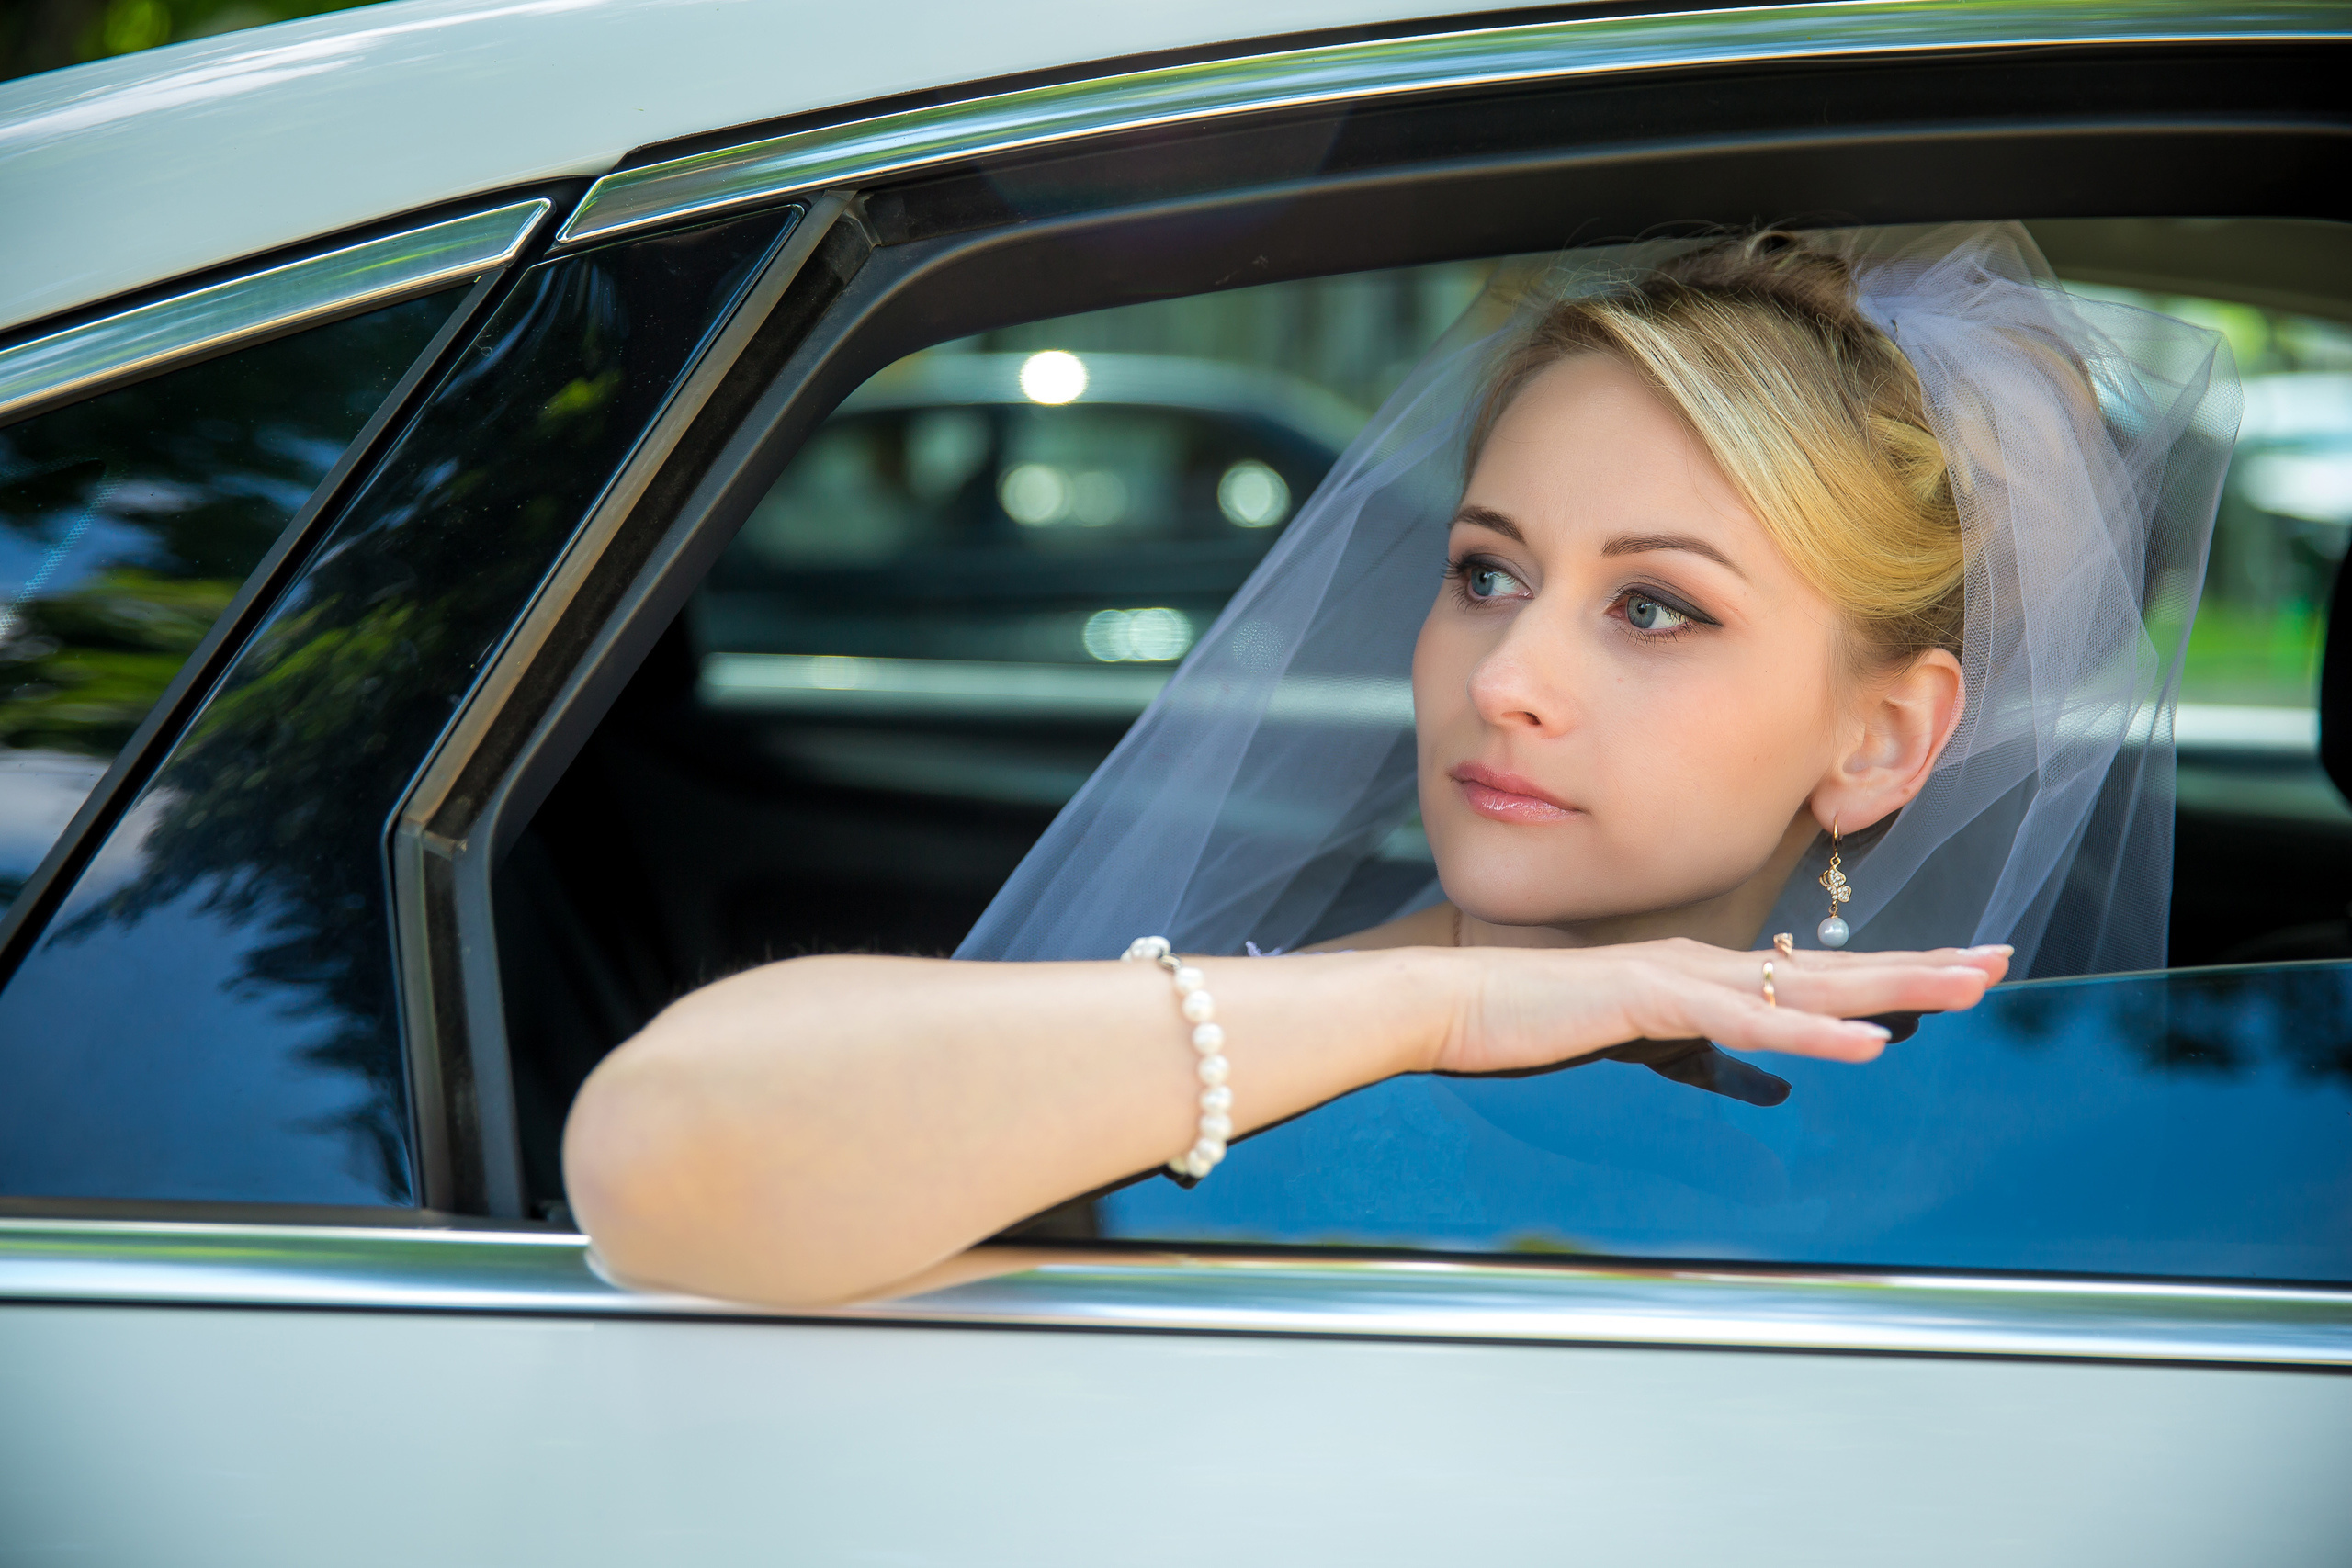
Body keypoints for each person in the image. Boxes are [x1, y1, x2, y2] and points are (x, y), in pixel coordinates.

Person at [561, 223, 2236, 1307]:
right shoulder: (1238, 1047)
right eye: (1486, 573)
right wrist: (1430, 1002)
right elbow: (663, 1148)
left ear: (1881, 738)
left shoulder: (2036, 1172)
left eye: (1653, 607)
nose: (1505, 678)